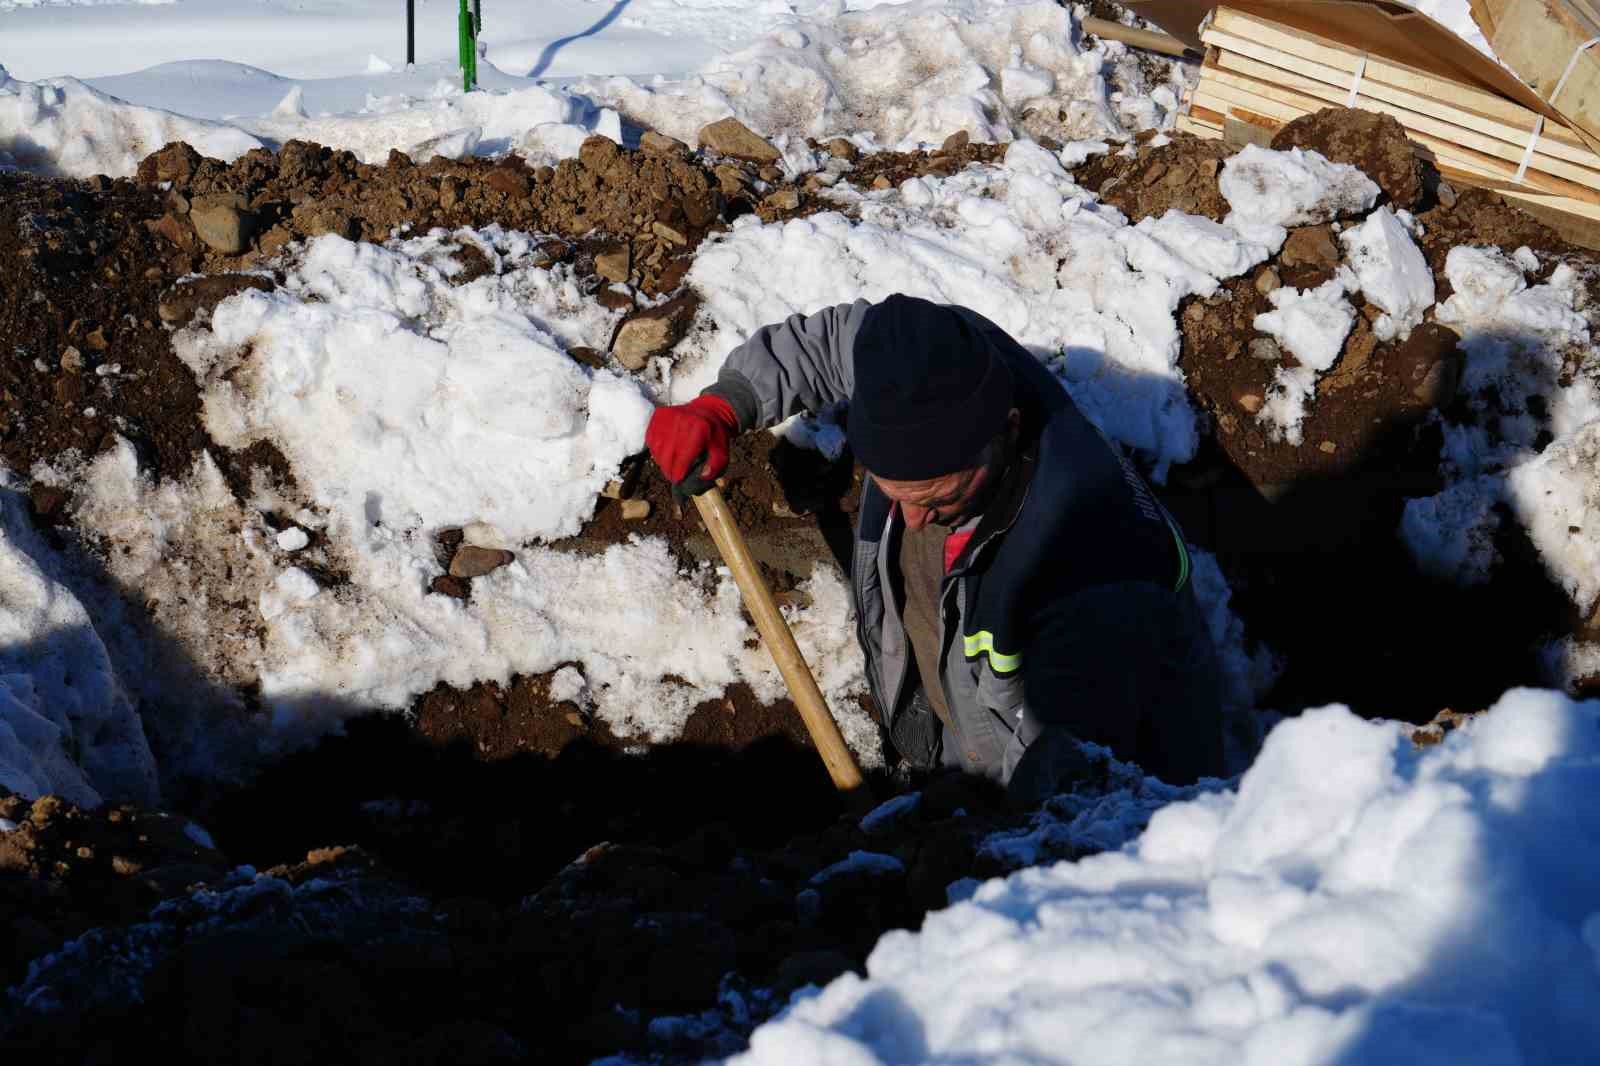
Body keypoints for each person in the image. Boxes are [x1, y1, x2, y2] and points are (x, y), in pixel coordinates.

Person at [645, 294, 1225, 803]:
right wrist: (725, 405)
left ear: (1008, 430)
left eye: (938, 499)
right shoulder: (936, 360)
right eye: (894, 492)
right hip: (968, 736)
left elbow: (1056, 806)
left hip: (1091, 804)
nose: (913, 521)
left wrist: (949, 842)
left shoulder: (1091, 579)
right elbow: (831, 346)